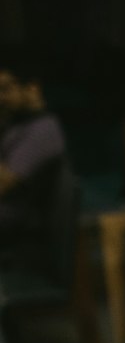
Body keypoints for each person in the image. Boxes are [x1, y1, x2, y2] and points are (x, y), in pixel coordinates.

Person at [0, 67, 67, 252]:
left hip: (13, 223)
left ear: (32, 89)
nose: (1, 98)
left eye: (5, 90)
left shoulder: (42, 131)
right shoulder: (18, 122)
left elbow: (3, 185)